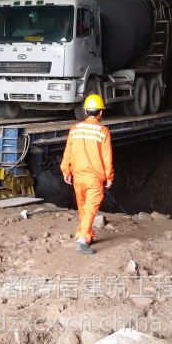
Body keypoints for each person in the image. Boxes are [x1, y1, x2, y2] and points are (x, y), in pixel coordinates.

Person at [60, 94, 114, 255]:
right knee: (90, 208)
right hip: (94, 177)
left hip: (78, 176)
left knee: (83, 208)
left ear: (85, 112)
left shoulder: (74, 129)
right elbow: (107, 156)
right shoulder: (103, 131)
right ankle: (83, 239)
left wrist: (66, 170)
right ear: (101, 113)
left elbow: (68, 152)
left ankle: (84, 234)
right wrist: (109, 177)